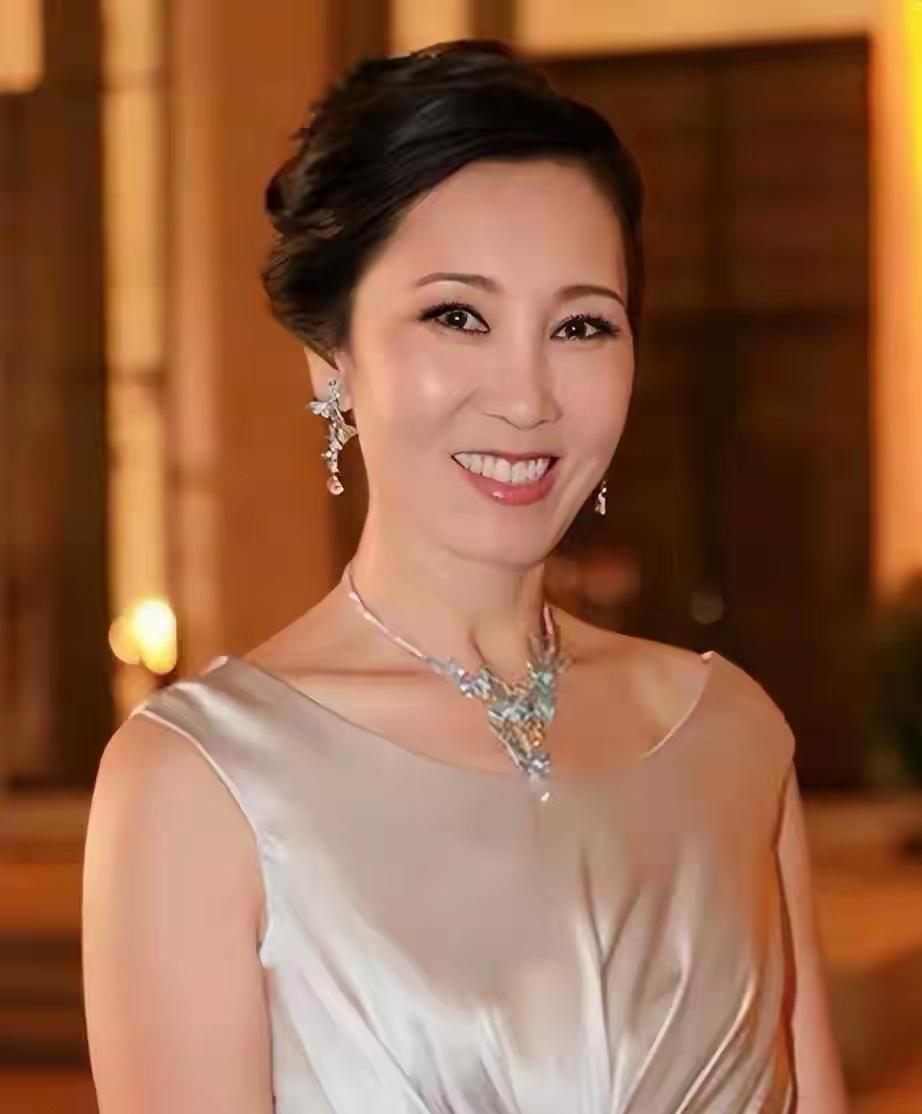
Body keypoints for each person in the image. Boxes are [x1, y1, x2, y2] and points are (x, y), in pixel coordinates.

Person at [81, 39, 848, 1114]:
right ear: (331, 358)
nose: (527, 397)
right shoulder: (200, 783)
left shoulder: (732, 738)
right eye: (458, 316)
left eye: (581, 325)